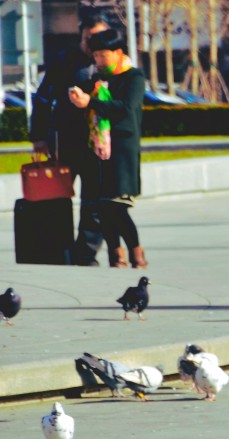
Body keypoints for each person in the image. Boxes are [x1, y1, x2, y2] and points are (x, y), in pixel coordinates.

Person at [32, 8, 112, 263]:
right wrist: (39, 137)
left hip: (98, 145)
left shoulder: (113, 64)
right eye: (89, 38)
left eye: (99, 38)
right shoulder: (63, 60)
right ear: (81, 37)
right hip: (65, 141)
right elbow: (43, 99)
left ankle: (86, 253)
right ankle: (59, 250)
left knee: (94, 201)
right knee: (57, 199)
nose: (93, 44)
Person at [68, 27, 147, 268]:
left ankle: (136, 253)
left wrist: (90, 101)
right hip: (98, 149)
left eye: (104, 55)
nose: (99, 60)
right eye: (96, 56)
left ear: (118, 52)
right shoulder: (97, 80)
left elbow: (125, 108)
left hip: (122, 150)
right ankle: (116, 255)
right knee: (103, 206)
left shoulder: (134, 77)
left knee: (118, 206)